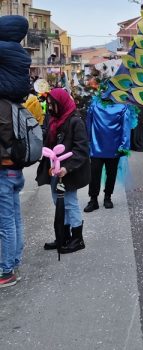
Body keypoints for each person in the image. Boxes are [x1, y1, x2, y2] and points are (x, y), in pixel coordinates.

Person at [36, 88, 90, 253]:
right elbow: (48, 142)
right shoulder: (52, 119)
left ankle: (77, 238)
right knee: (58, 202)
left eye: (54, 104)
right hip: (54, 170)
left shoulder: (75, 121)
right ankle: (63, 236)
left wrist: (67, 168)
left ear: (62, 103)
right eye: (49, 104)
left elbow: (82, 150)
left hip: (69, 171)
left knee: (70, 203)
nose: (51, 107)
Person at [0, 14, 32, 287]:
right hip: (14, 169)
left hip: (4, 168)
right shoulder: (18, 53)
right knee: (13, 219)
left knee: (5, 223)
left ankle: (6, 270)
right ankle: (14, 260)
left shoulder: (5, 50)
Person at [83, 97, 133, 212]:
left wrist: (124, 146)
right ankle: (94, 199)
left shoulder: (122, 107)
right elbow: (89, 124)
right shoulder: (95, 105)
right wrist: (89, 142)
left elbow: (125, 129)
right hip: (97, 147)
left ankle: (107, 197)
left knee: (110, 174)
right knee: (95, 174)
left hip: (113, 148)